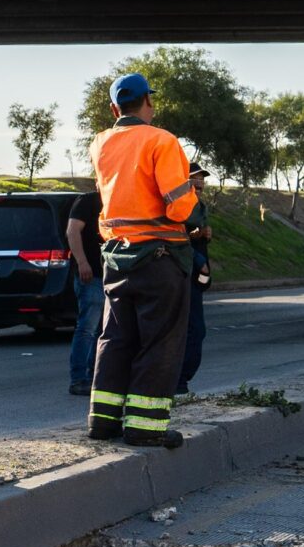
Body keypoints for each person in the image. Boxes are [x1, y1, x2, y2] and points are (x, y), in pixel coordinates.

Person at [86, 72, 202, 448]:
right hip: (160, 256)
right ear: (148, 102)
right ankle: (145, 427)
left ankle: (103, 421)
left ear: (114, 107)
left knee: (115, 337)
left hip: (117, 256)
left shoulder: (100, 143)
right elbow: (179, 203)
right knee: (161, 340)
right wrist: (195, 209)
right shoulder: (161, 140)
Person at [64, 184, 104, 397]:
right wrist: (82, 263)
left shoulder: (118, 202)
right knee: (87, 328)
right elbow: (72, 231)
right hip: (91, 276)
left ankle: (94, 376)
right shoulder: (87, 201)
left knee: (101, 331)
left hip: (111, 277)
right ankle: (79, 379)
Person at [178, 218, 212, 394]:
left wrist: (205, 236)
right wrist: (198, 260)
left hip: (196, 282)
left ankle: (181, 380)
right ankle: (179, 379)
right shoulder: (178, 205)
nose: (199, 190)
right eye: (196, 187)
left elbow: (205, 279)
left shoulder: (199, 209)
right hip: (181, 277)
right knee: (192, 330)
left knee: (196, 330)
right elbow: (174, 237)